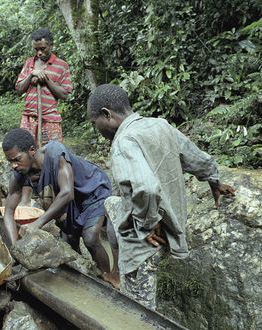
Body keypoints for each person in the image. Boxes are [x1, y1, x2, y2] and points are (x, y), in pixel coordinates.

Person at [86, 84, 236, 310]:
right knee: (110, 202)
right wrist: (214, 181)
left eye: (93, 122)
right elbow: (196, 158)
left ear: (106, 114)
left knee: (139, 311)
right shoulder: (160, 125)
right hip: (173, 227)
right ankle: (115, 249)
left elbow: (145, 188)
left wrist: (148, 223)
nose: (95, 128)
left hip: (147, 241)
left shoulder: (123, 142)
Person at [1, 128, 112, 275]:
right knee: (69, 242)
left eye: (17, 159)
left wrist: (37, 223)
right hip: (71, 203)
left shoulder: (55, 154)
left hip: (93, 190)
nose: (13, 165)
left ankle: (108, 279)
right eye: (10, 161)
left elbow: (67, 193)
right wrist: (16, 247)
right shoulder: (18, 174)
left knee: (90, 238)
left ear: (32, 150)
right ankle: (84, 278)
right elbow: (8, 211)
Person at [15, 27, 72, 144]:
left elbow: (64, 95)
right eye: (36, 50)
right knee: (27, 152)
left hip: (50, 120)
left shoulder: (62, 66)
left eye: (42, 49)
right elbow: (19, 89)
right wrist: (31, 75)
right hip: (28, 118)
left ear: (50, 45)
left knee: (52, 154)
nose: (39, 53)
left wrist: (46, 79)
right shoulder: (29, 63)